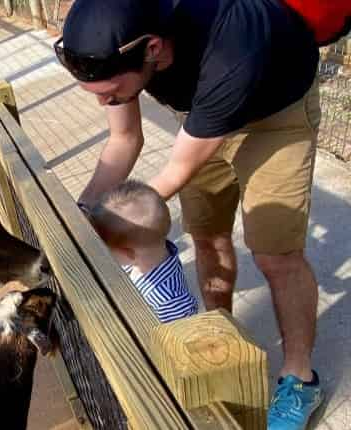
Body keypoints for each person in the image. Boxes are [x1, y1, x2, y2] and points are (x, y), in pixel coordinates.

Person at [56, 0, 323, 428]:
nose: (106, 101)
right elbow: (124, 139)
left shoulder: (231, 45)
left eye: (110, 93)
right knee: (207, 236)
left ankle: (300, 378)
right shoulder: (121, 49)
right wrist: (79, 213)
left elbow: (176, 171)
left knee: (275, 254)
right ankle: (221, 344)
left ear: (153, 49)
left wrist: (109, 223)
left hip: (275, 115)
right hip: (199, 115)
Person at [89, 180, 198, 323]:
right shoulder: (151, 253)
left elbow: (177, 336)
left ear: (129, 253)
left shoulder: (169, 302)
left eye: (106, 249)